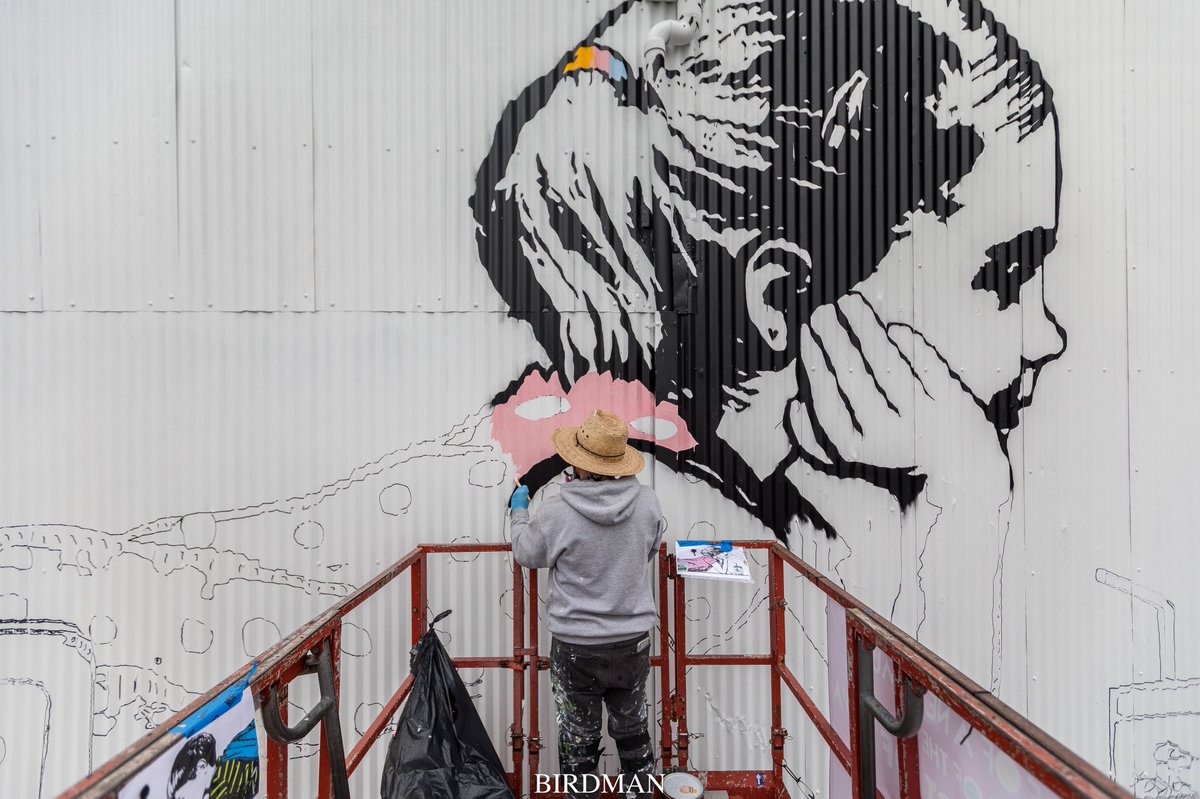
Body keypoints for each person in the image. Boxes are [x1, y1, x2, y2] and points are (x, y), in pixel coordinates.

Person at [509, 409, 665, 797]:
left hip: (576, 646)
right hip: (632, 641)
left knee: (578, 742)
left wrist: (518, 510)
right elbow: (649, 549)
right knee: (633, 733)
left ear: (579, 463)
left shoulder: (558, 512)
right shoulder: (647, 503)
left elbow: (527, 553)